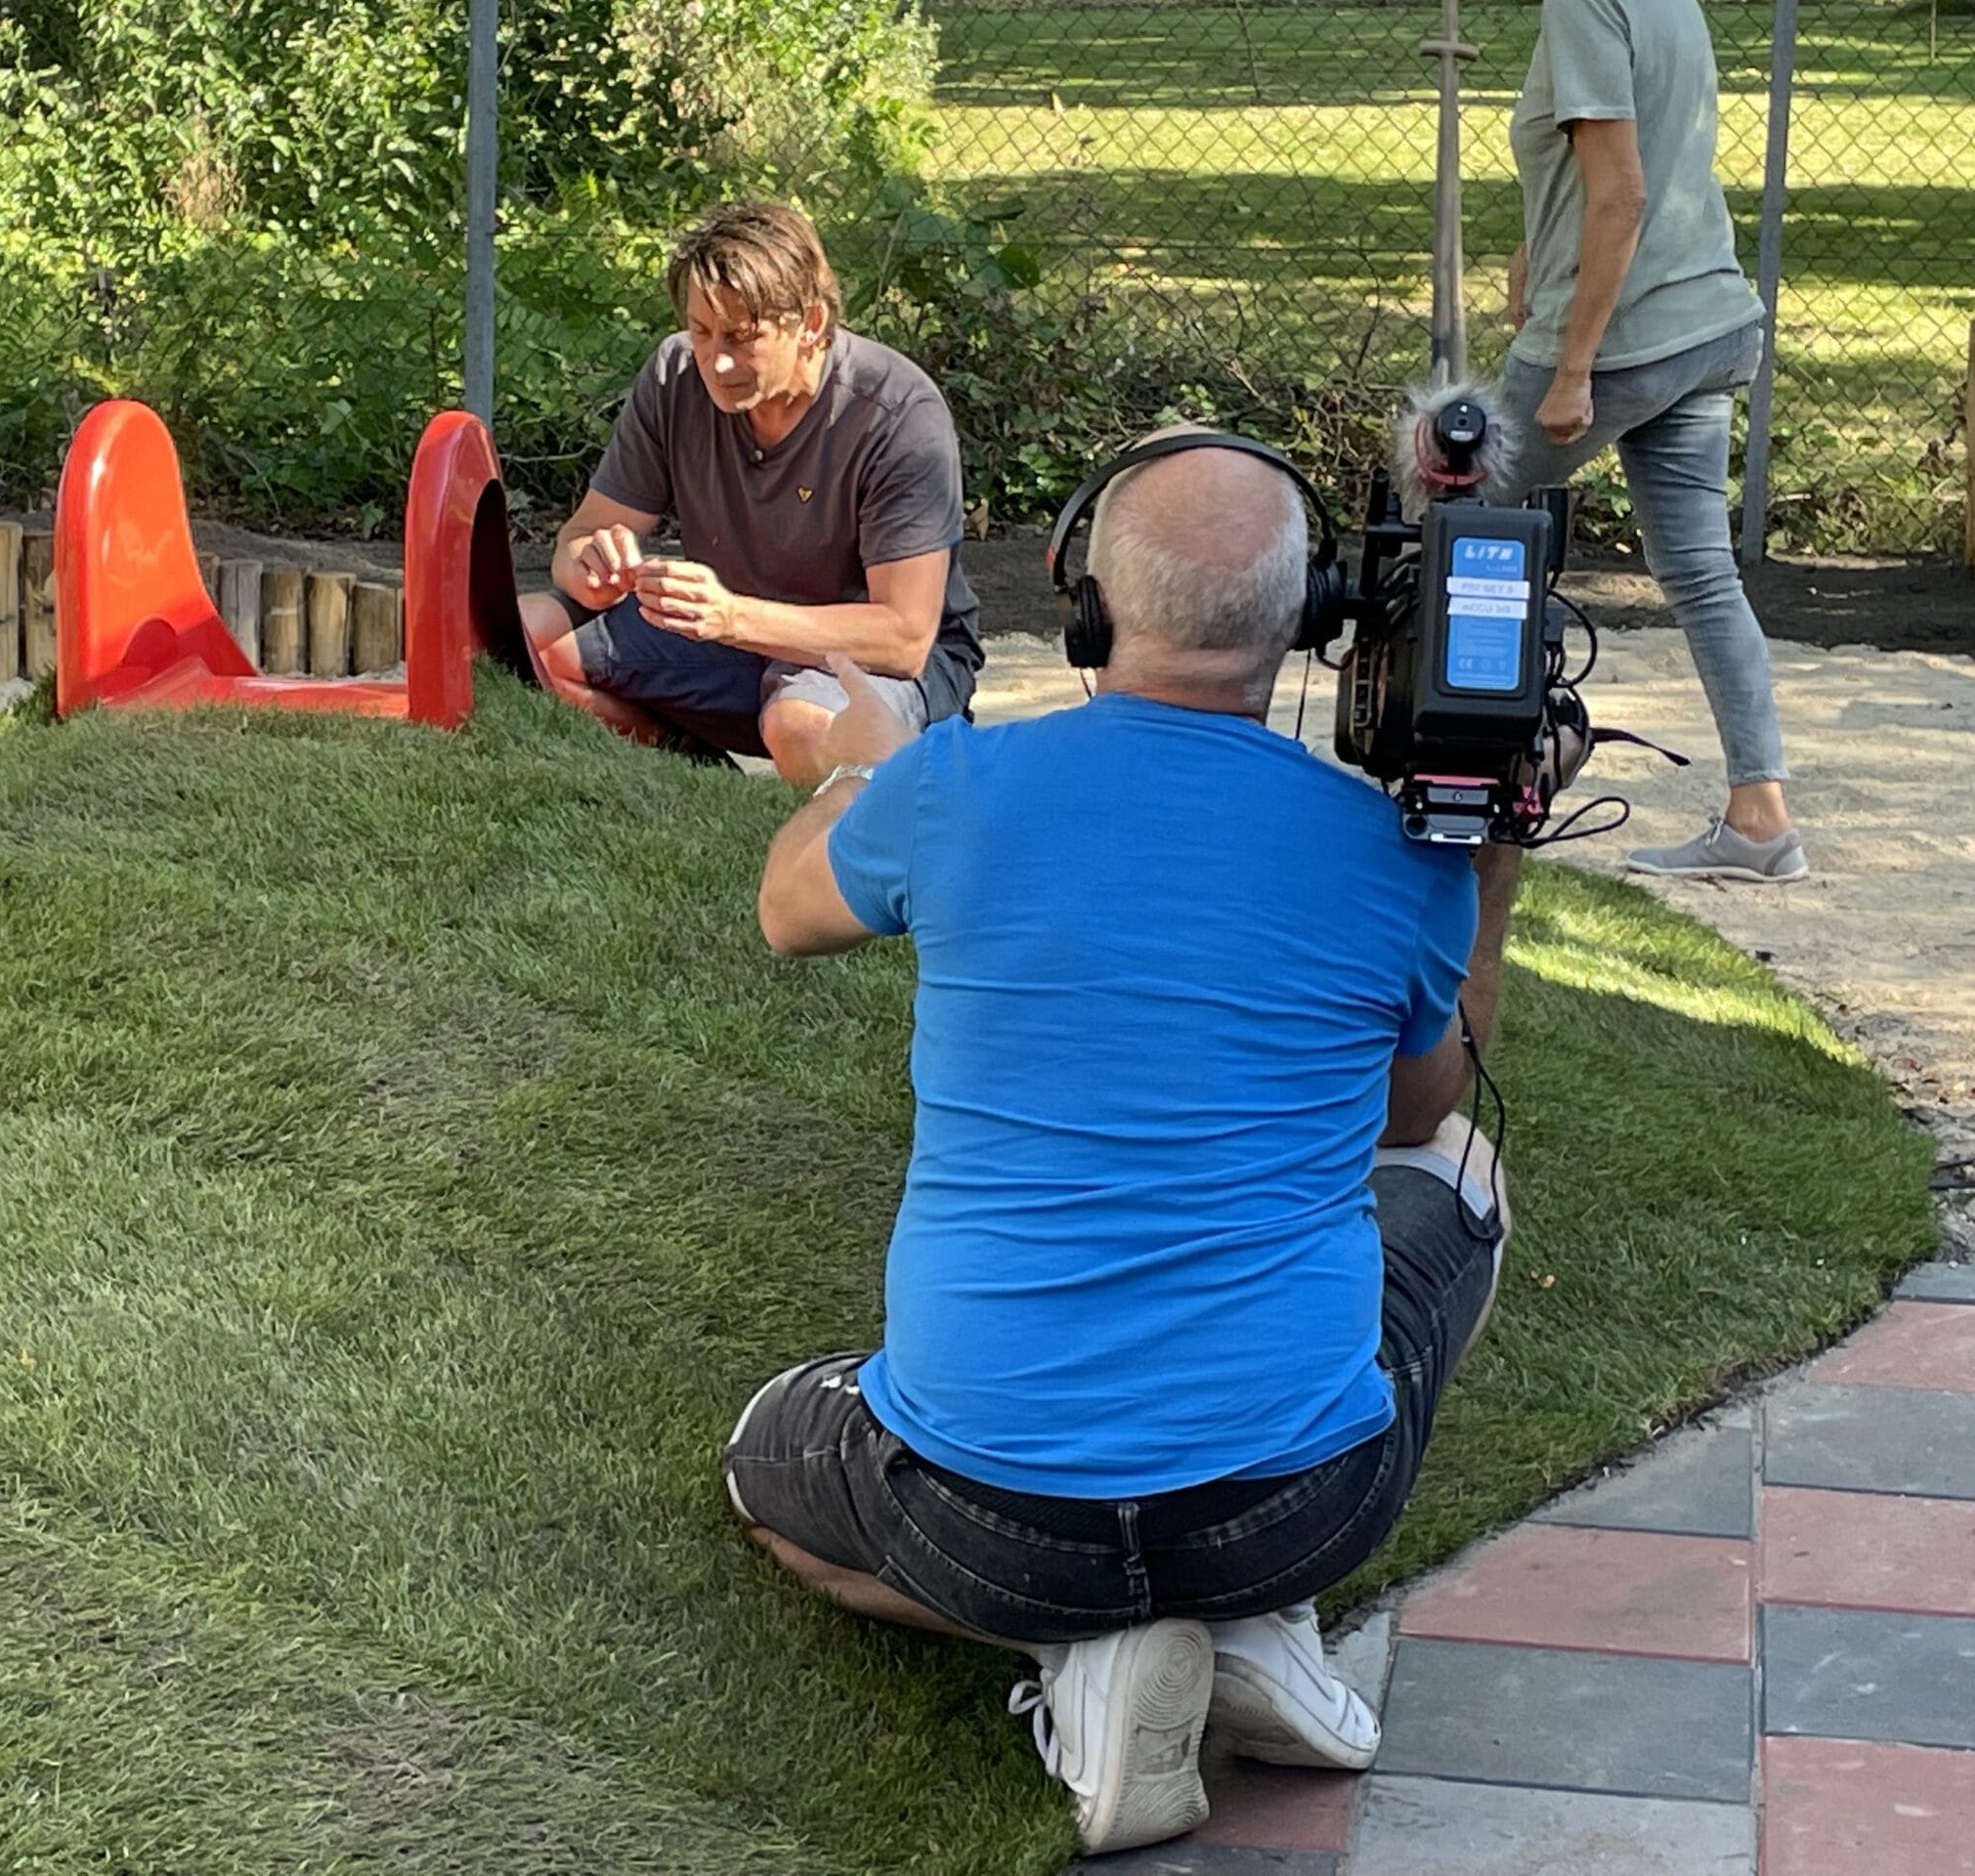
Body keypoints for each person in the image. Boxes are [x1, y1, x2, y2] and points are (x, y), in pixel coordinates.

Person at [728, 438, 1544, 1855]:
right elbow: (1418, 1119)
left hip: (984, 1517)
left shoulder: (956, 786)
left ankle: (1083, 1650)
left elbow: (790, 910)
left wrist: (864, 771)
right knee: (1463, 1179)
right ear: (1312, 619)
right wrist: (1494, 859)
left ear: (1084, 602)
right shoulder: (1389, 847)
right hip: (1299, 1510)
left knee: (768, 1466)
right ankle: (1237, 1627)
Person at [517, 200, 984, 787]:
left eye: (743, 336)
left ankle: (892, 812)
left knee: (798, 724)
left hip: (866, 659)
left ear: (811, 324)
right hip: (730, 637)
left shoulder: (896, 413)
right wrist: (592, 564)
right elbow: (577, 541)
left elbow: (905, 639)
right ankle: (696, 778)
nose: (717, 360)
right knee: (526, 635)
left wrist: (732, 616)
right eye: (701, 331)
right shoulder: (674, 376)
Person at [1496, 0, 1805, 881]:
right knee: (1703, 572)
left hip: (1623, 338)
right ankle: (1760, 819)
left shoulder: (1582, 5)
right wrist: (1535, 245)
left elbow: (1625, 193)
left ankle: (1445, 765)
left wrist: (1573, 366)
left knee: (1440, 510)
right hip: (1707, 320)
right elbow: (1642, 158)